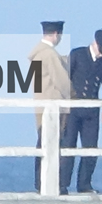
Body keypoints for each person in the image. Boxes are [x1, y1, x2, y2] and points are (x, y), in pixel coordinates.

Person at [62, 29, 102, 194]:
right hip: (72, 109)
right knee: (68, 146)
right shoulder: (77, 55)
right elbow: (66, 79)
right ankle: (62, 184)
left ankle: (84, 185)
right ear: (95, 44)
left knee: (91, 148)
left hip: (92, 111)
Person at [30, 21, 71, 192]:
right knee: (51, 144)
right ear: (55, 34)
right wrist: (73, 95)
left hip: (41, 105)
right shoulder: (49, 55)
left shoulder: (37, 53)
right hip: (52, 107)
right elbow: (62, 82)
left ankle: (40, 183)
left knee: (42, 144)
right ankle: (46, 183)